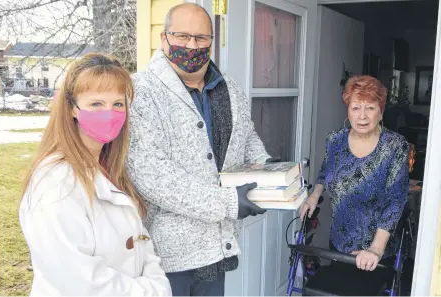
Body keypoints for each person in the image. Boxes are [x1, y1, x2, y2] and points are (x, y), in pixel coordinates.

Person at [127, 3, 277, 296]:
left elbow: (246, 138)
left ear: (211, 40)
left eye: (201, 38)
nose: (191, 45)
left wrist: (268, 166)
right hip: (167, 256)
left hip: (217, 246)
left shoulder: (229, 88)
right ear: (164, 38)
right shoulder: (140, 91)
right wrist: (230, 203)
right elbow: (152, 178)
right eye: (181, 36)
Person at [19, 53, 172, 296]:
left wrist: (157, 283)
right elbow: (79, 281)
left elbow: (141, 245)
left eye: (118, 104)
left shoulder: (109, 169)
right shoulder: (57, 185)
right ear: (72, 109)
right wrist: (151, 292)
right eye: (96, 104)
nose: (109, 113)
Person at [300, 75, 409, 273]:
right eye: (356, 107)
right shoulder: (335, 140)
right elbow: (326, 170)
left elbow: (395, 201)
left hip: (377, 252)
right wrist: (315, 194)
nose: (362, 116)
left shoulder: (395, 146)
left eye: (370, 108)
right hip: (339, 244)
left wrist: (375, 249)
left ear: (381, 112)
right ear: (348, 111)